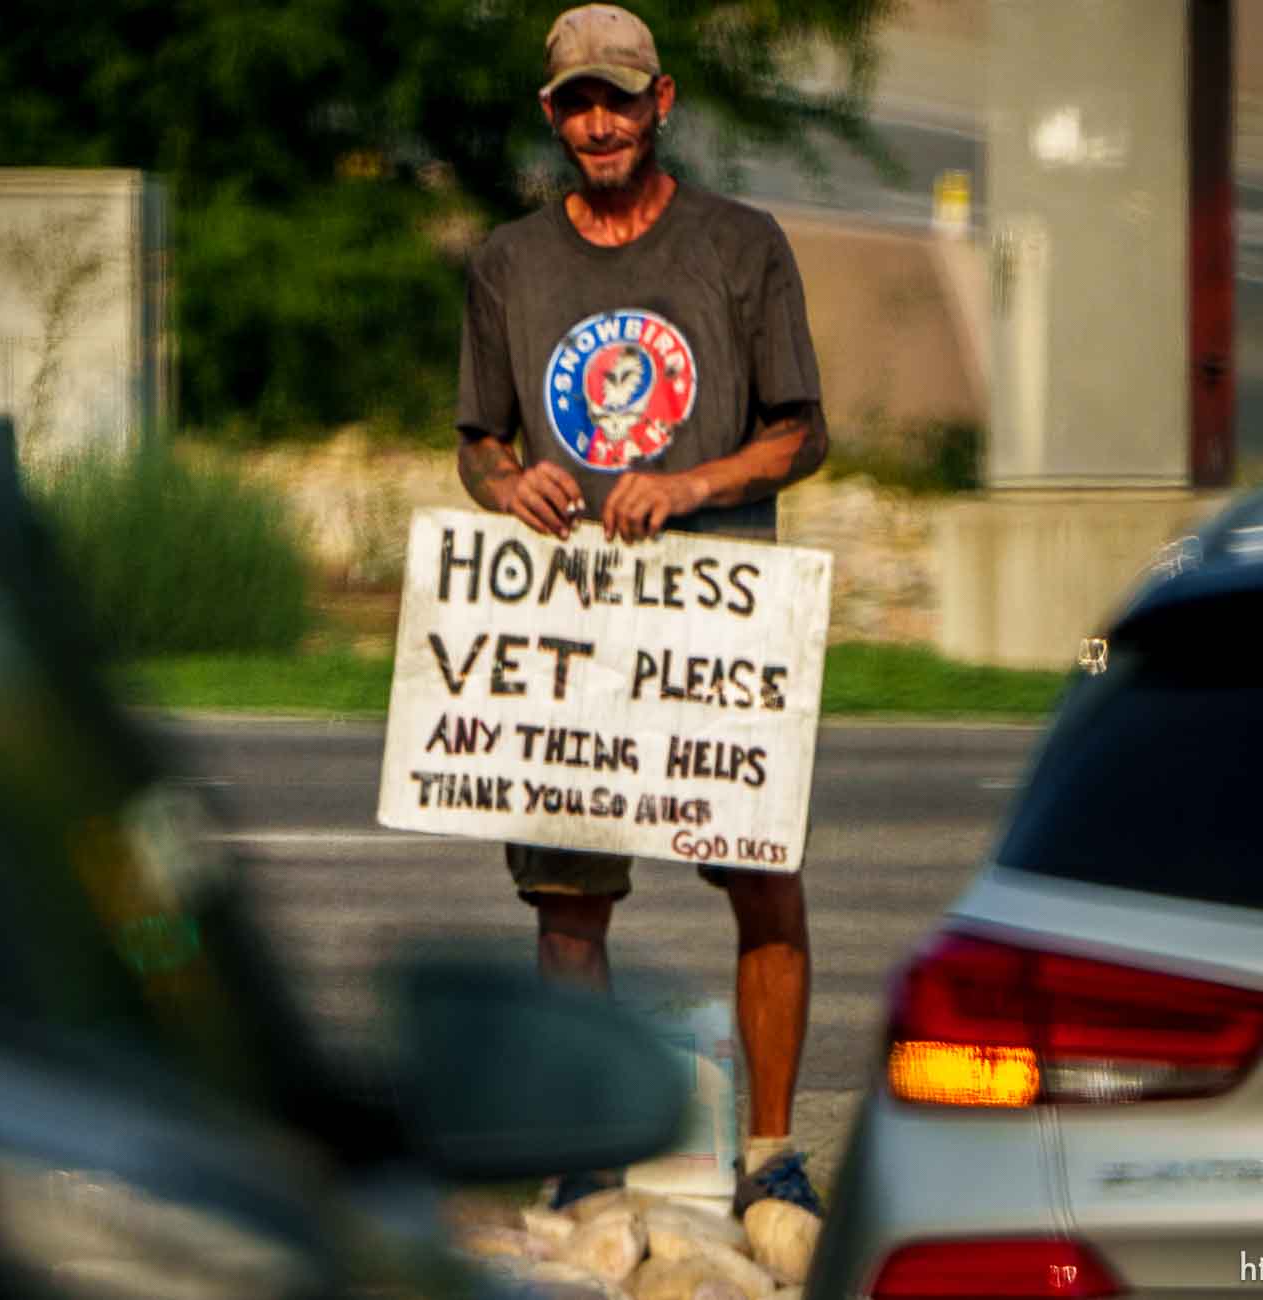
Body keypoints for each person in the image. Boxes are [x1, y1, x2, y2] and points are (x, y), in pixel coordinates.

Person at [452, 3, 829, 1217]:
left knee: (764, 878)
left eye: (618, 98)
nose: (599, 122)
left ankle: (771, 1153)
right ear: (552, 116)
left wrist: (687, 485)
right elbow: (476, 443)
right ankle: (586, 1156)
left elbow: (801, 433)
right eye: (576, 104)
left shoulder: (742, 243)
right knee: (569, 901)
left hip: (717, 616)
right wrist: (512, 484)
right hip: (572, 627)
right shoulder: (509, 261)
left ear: (662, 103)